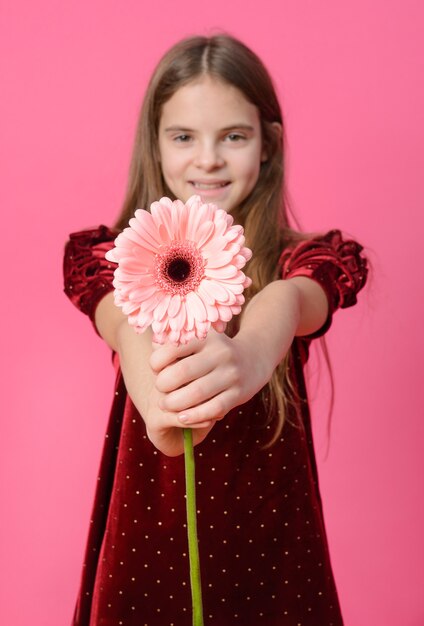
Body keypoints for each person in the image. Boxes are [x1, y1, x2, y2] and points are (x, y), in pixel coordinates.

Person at [64, 34, 367, 626]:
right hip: (147, 541)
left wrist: (258, 344)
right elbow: (119, 319)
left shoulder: (294, 263)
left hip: (269, 540)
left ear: (268, 145)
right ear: (155, 144)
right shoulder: (112, 257)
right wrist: (143, 357)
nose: (208, 159)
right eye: (183, 137)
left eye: (234, 135)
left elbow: (306, 294)